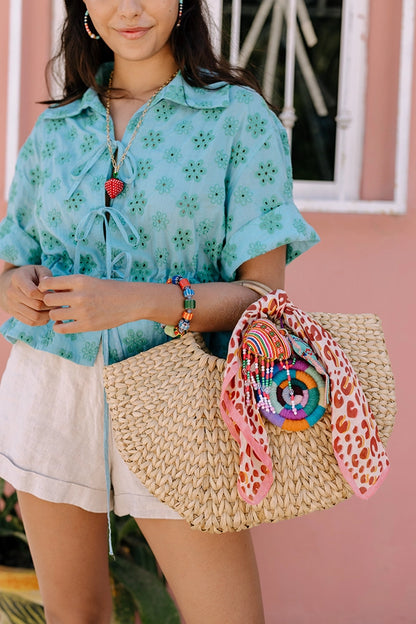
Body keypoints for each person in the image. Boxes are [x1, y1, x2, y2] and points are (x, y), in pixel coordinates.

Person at [0, 1, 319, 622]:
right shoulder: (59, 129)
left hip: (182, 397)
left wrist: (142, 302)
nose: (129, 7)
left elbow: (266, 302)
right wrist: (16, 286)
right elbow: (10, 258)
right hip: (53, 390)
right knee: (75, 617)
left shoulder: (237, 119)